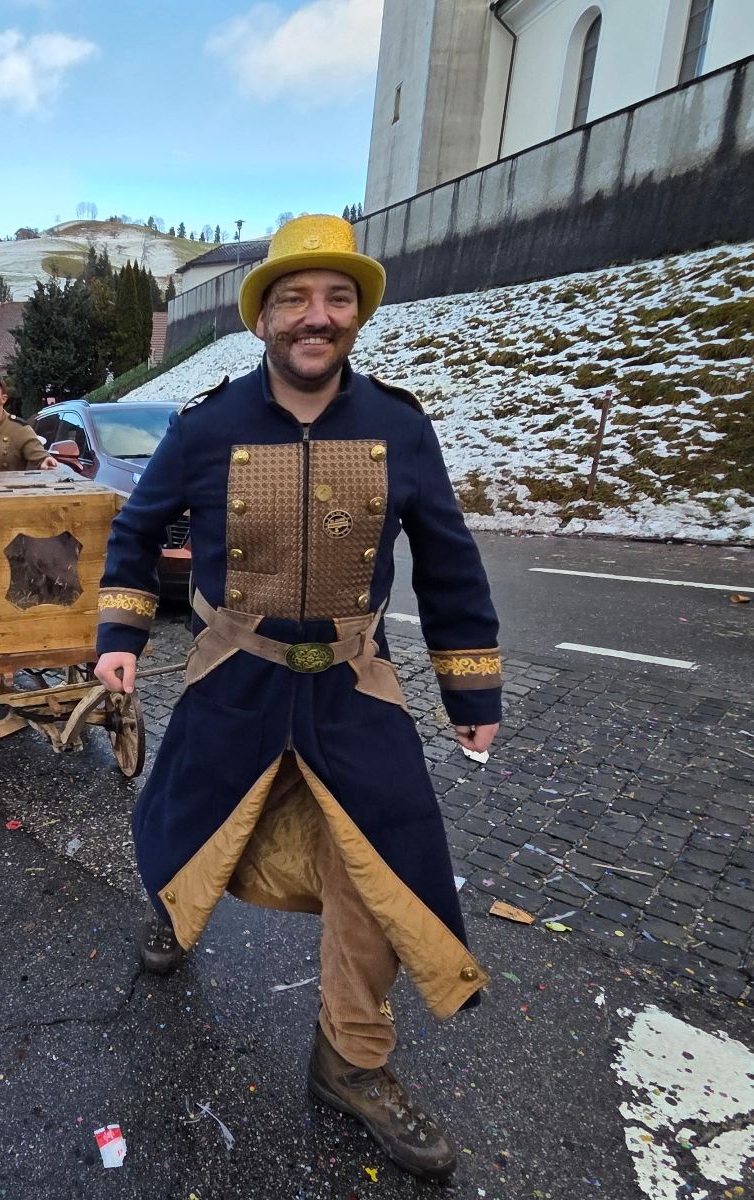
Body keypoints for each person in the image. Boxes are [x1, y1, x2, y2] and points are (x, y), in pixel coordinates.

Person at [94, 215, 501, 1182]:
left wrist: (470, 686)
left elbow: (449, 561)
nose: (316, 317)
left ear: (357, 314)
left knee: (383, 862)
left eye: (336, 298)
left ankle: (350, 1061)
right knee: (182, 821)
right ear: (262, 317)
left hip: (355, 688)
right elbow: (136, 533)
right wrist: (118, 636)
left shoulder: (401, 427)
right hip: (232, 677)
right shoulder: (206, 427)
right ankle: (174, 912)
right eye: (294, 299)